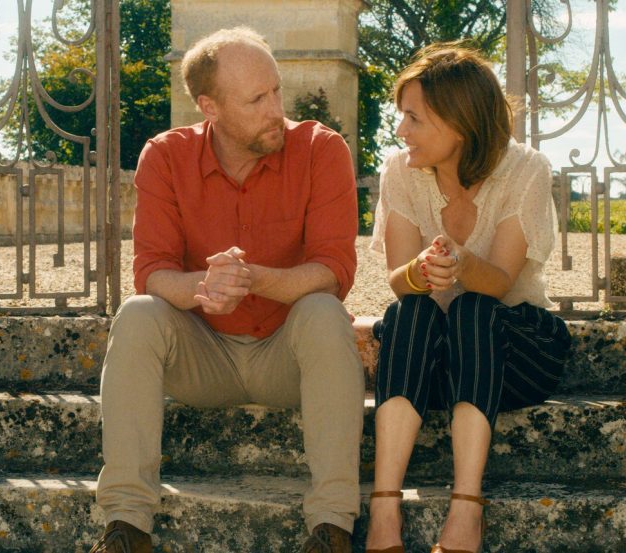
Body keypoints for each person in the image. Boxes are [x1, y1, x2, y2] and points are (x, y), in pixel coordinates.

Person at [88, 27, 364, 553]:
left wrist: (254, 278)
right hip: (204, 357)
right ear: (209, 107)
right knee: (139, 313)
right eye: (257, 99)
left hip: (288, 356)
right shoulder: (165, 156)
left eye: (277, 91)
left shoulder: (321, 148)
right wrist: (203, 286)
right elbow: (152, 272)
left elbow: (334, 269)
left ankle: (332, 527)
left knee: (325, 311)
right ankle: (126, 526)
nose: (276, 110)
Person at [364, 44, 573, 553]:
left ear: (459, 122)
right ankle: (384, 508)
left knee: (473, 306)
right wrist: (420, 271)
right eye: (401, 115)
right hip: (430, 364)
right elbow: (398, 281)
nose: (401, 130)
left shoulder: (526, 168)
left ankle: (466, 508)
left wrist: (459, 262)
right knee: (411, 308)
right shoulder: (399, 170)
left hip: (512, 355)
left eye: (414, 118)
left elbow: (498, 283)